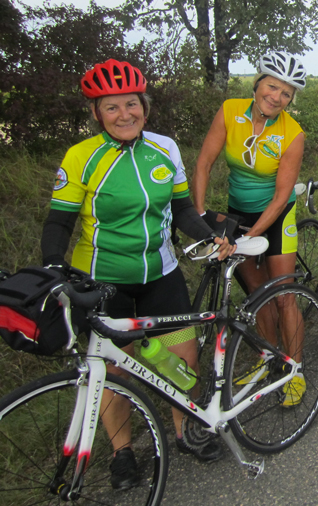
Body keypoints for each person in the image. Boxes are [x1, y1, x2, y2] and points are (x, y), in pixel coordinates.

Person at [41, 59, 235, 489]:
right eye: (111, 108)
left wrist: (208, 237)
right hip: (102, 280)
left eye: (132, 104)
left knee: (184, 356)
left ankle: (186, 431)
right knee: (115, 371)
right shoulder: (81, 157)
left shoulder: (165, 148)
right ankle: (122, 452)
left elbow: (183, 208)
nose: (124, 114)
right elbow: (59, 222)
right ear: (96, 114)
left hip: (160, 273)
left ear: (145, 108)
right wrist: (54, 265)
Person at [192, 52, 307, 407]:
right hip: (237, 214)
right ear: (258, 83)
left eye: (286, 93)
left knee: (283, 294)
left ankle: (294, 368)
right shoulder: (230, 111)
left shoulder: (292, 133)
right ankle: (267, 356)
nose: (277, 97)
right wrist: (198, 216)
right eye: (272, 86)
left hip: (275, 216)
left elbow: (280, 197)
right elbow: (204, 163)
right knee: (256, 296)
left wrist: (250, 235)